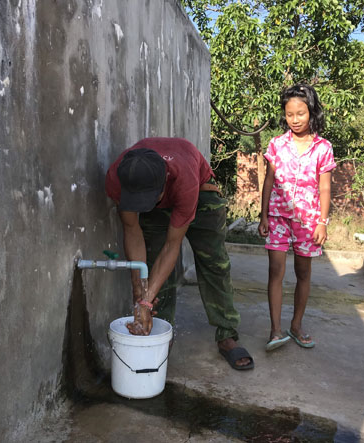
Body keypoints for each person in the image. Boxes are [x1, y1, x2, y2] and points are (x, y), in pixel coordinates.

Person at [105, 137, 254, 370]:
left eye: (148, 199)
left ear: (165, 181)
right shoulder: (117, 178)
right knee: (152, 267)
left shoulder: (184, 179)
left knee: (214, 264)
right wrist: (140, 290)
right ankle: (162, 331)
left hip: (201, 194)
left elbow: (172, 245)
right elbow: (132, 230)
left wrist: (145, 300)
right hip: (160, 196)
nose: (143, 205)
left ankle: (226, 333)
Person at [258, 84, 336, 351]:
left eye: (300, 113)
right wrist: (264, 215)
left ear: (311, 111)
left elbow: (325, 188)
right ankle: (275, 330)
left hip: (308, 222)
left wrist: (322, 222)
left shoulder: (323, 148)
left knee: (303, 273)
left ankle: (296, 325)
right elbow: (269, 181)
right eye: (289, 114)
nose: (295, 119)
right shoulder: (277, 145)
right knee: (275, 272)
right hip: (277, 217)